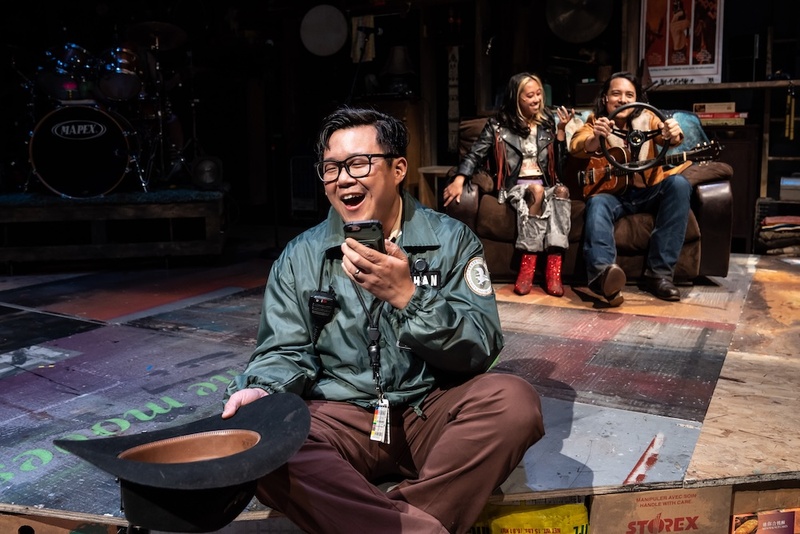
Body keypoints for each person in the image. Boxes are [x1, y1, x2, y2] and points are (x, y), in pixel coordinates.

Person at [222, 106, 544, 534]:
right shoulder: (300, 257)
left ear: (397, 169)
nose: (342, 178)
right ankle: (418, 528)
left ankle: (377, 520)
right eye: (331, 167)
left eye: (358, 163)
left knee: (514, 402)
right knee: (263, 443)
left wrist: (408, 297)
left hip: (428, 409)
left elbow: (480, 347)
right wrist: (262, 387)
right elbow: (284, 350)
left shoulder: (449, 240)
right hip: (342, 415)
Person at [443, 72, 574, 297]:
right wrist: (459, 178)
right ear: (516, 98)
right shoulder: (497, 126)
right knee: (537, 190)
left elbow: (559, 170)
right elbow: (475, 155)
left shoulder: (547, 124)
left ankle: (554, 268)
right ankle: (528, 266)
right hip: (516, 187)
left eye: (539, 94)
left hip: (545, 185)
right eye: (529, 96)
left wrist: (561, 131)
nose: (536, 99)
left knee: (561, 191)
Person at [568, 71, 690, 305]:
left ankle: (660, 276)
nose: (622, 99)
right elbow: (576, 145)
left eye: (629, 94)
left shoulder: (648, 118)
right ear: (605, 99)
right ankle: (604, 276)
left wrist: (673, 134)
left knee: (679, 184)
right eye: (616, 94)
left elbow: (669, 137)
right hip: (615, 196)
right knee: (597, 202)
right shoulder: (595, 121)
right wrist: (595, 138)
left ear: (637, 98)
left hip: (648, 191)